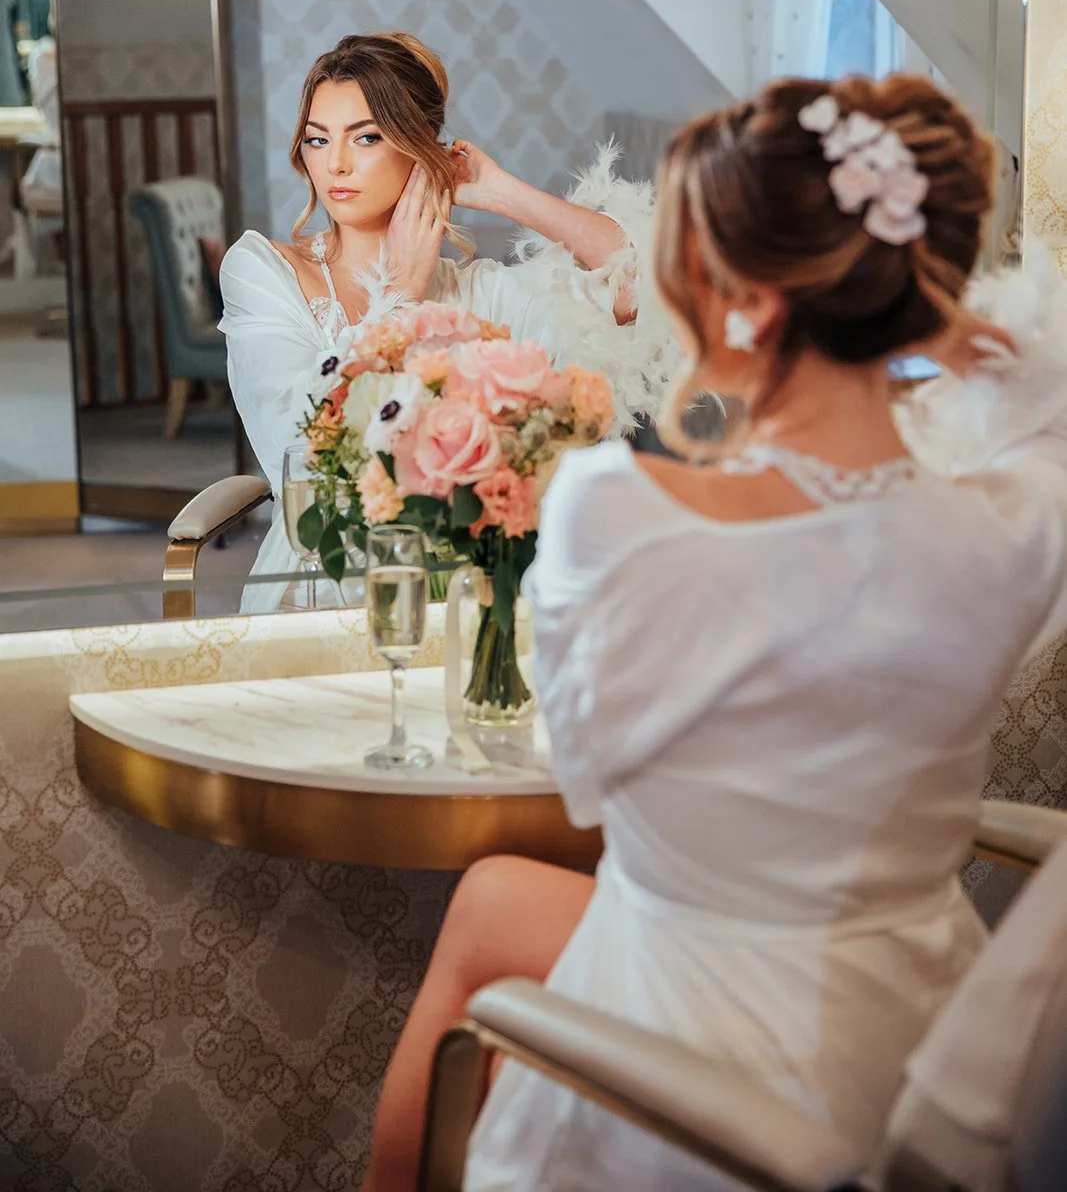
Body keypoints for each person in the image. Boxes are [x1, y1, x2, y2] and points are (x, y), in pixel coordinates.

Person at [362, 73, 1067, 1191]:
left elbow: (587, 782)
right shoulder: (1010, 529)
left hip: (696, 1036)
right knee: (497, 896)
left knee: (496, 905)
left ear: (741, 303)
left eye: (674, 259)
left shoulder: (616, 511)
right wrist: (946, 327)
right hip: (924, 1018)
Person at [219, 31, 673, 612]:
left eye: (366, 137)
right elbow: (298, 441)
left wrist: (501, 191)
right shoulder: (262, 271)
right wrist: (400, 294)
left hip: (459, 587)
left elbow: (640, 286)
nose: (334, 163)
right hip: (317, 584)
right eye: (316, 138)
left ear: (415, 148)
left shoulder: (479, 295)